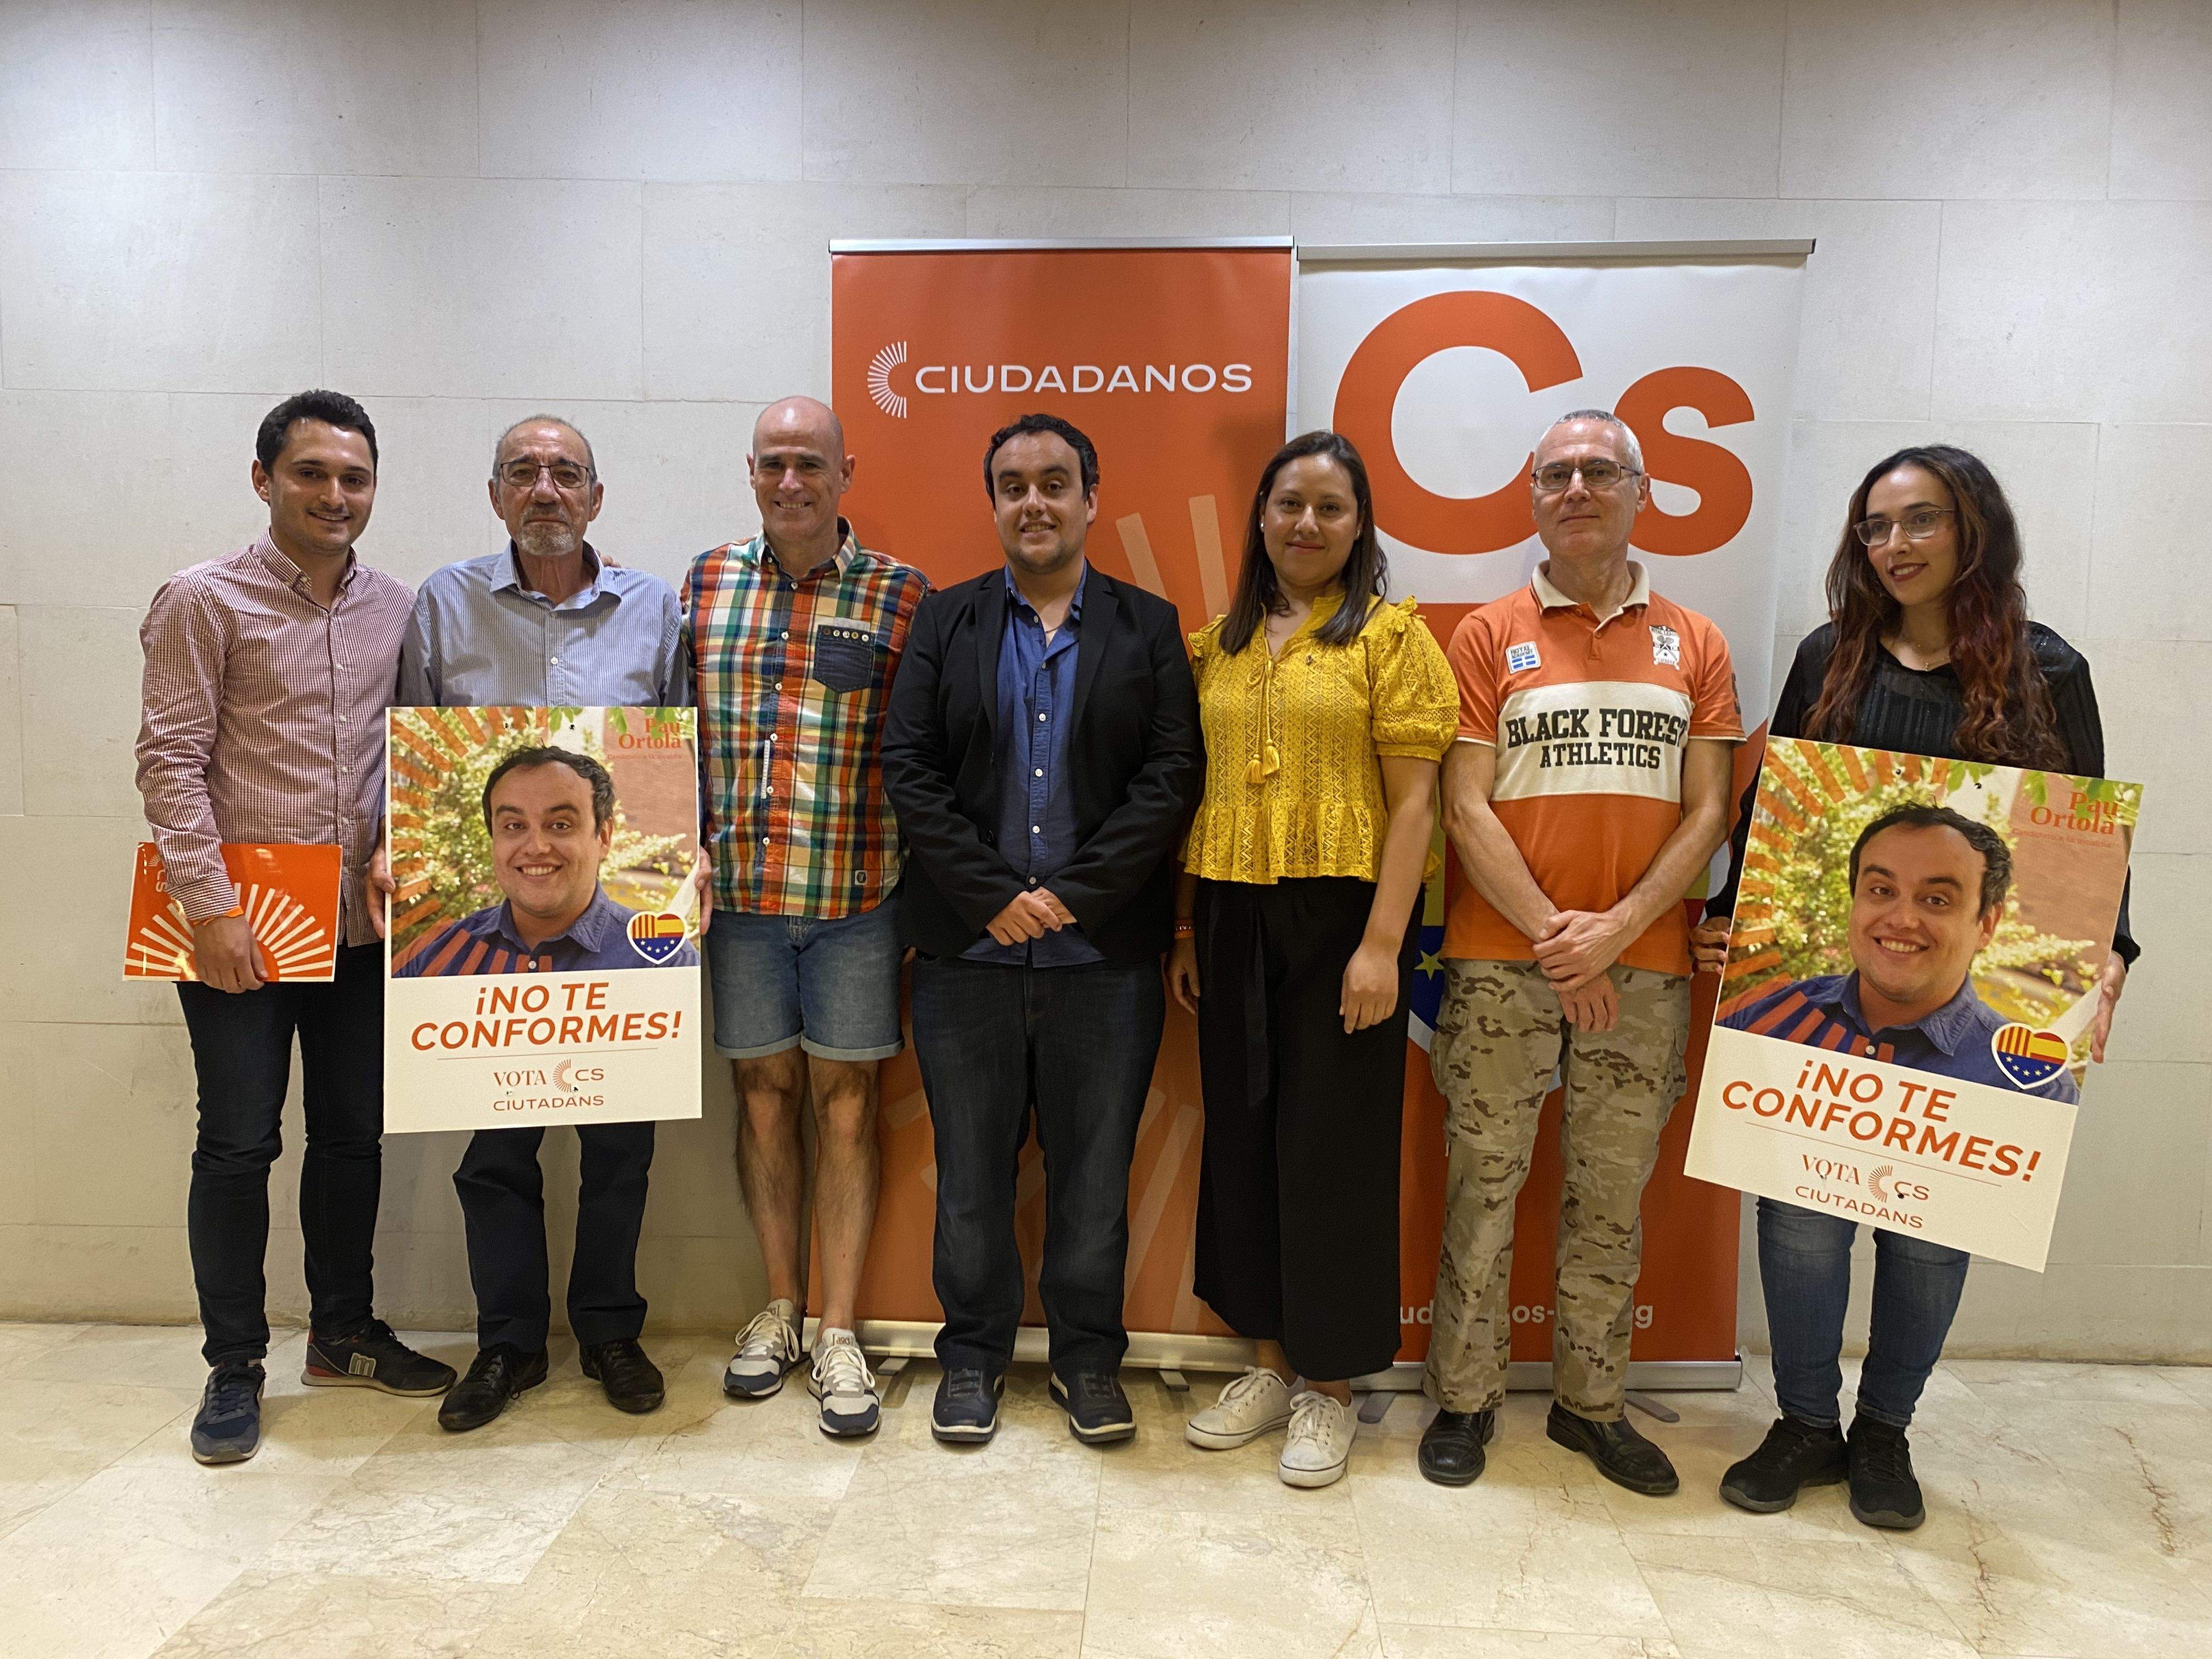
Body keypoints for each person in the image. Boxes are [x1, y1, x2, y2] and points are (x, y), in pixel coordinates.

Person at [1697, 443, 2136, 1531]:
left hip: (1971, 1020)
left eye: (1920, 519)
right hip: (1825, 1009)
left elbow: (2087, 837)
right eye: (1876, 526)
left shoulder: (2047, 671)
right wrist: (1728, 916)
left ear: (1972, 528)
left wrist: (2112, 951)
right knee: (1800, 1220)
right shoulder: (1830, 656)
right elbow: (1770, 807)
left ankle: (1883, 1432)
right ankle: (1805, 1423)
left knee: (1933, 1231)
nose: (1894, 545)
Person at [1420, 410, 1740, 1496]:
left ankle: (1590, 1403)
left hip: (1644, 966)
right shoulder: (1485, 633)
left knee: (1611, 1191)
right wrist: (1564, 940)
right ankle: (1463, 1397)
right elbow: (1465, 808)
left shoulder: (1696, 641)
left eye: (1599, 471)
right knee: (1485, 1180)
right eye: (1555, 473)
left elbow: (1709, 811)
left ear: (1640, 491)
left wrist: (1613, 931)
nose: (1576, 489)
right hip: (1498, 960)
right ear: (1531, 496)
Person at [137, 391, 456, 1466]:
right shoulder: (202, 599)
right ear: (264, 478)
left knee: (353, 1133)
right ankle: (234, 1365)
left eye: (353, 477)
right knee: (238, 1142)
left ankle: (343, 1332)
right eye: (311, 473)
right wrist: (211, 910)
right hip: (240, 922)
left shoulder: (398, 606)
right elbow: (170, 762)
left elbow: (410, 750)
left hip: (361, 925)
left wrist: (402, 845)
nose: (334, 494)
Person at [882, 413, 1201, 1447]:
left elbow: (1171, 777)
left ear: (1090, 499)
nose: (1034, 502)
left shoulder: (1148, 626)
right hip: (968, 955)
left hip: (1101, 958)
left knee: (1095, 1180)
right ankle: (972, 1357)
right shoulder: (947, 619)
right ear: (993, 503)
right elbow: (909, 769)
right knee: (971, 1181)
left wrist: (1073, 896)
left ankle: (1086, 1361)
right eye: (1013, 485)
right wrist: (990, 894)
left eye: (1054, 483)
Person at [1167, 432, 1455, 1488]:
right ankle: (1269, 1363)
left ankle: (1330, 1385)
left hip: (1346, 918)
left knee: (1331, 1147)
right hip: (1231, 909)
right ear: (1259, 515)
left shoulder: (1390, 639)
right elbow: (1195, 793)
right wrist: (1188, 927)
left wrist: (1382, 944)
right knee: (1242, 1134)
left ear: (1359, 524)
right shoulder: (1216, 645)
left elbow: (1415, 804)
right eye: (1289, 502)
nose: (1306, 523)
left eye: (1330, 507)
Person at [397, 415, 690, 1431]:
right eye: (522, 472)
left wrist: (686, 864)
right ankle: (509, 1343)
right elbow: (405, 744)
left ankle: (609, 1331)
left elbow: (675, 759)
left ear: (596, 497)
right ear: (496, 496)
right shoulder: (445, 602)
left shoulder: (654, 608)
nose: (545, 490)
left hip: (622, 939)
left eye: (566, 473)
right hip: (490, 949)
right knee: (494, 1155)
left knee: (620, 1149)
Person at [687, 396, 929, 1439]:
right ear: (750, 472)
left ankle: (839, 1329)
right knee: (760, 1101)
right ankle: (779, 1308)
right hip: (738, 900)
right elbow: (665, 734)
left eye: (811, 464)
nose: (791, 482)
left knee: (846, 1108)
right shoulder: (704, 584)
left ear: (846, 473)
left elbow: (922, 747)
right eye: (774, 463)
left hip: (856, 897)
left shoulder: (901, 595)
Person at [1719, 805, 2078, 1103]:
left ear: (1986, 924)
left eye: (1936, 900)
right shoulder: (1758, 1017)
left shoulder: (2035, 1088)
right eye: (1881, 890)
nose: (1902, 920)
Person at [394, 747, 699, 978]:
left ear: (604, 837)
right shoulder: (431, 958)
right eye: (514, 826)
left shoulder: (663, 961)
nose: (536, 847)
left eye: (560, 825)